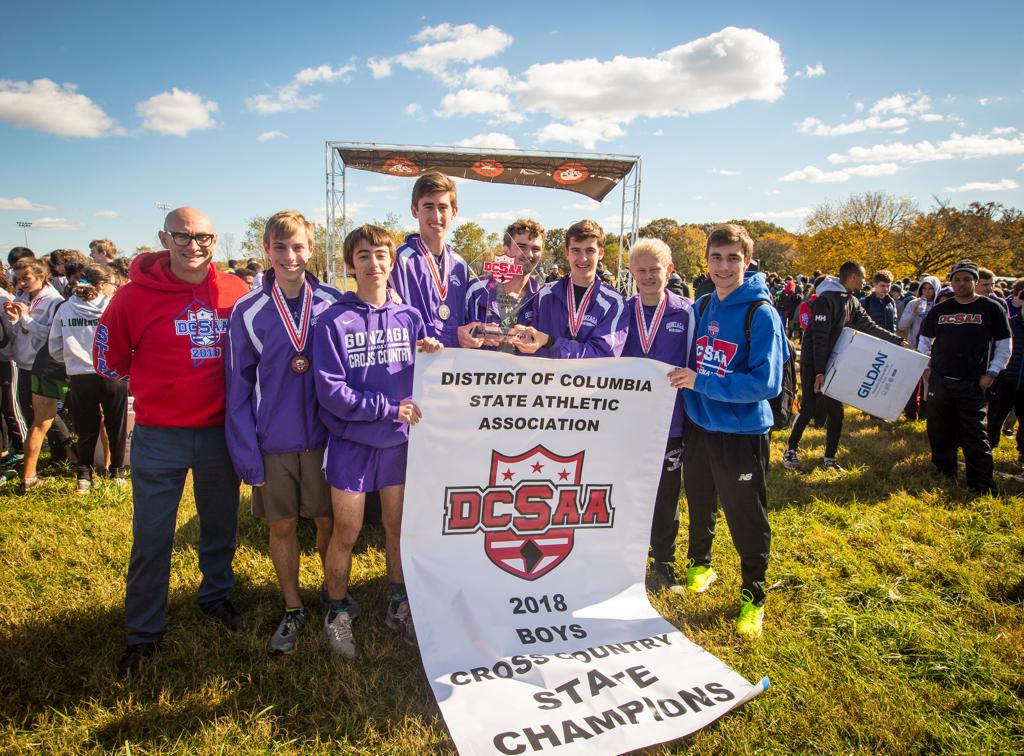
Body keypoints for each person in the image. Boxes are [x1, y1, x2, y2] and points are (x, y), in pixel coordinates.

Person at [95, 207, 250, 678]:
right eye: (181, 236)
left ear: (215, 240)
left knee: (221, 524)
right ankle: (144, 632)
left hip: (220, 433)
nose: (192, 244)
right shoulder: (131, 297)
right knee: (152, 536)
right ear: (164, 238)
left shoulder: (235, 291)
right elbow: (108, 359)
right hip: (160, 435)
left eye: (201, 236)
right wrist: (157, 390)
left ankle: (215, 596)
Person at [314, 224, 442, 659]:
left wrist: (432, 352)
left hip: (397, 444)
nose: (373, 263)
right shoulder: (332, 320)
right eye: (363, 255)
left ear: (392, 262)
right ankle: (336, 611)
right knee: (346, 532)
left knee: (398, 529)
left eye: (381, 255)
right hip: (351, 442)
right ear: (351, 265)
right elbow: (331, 392)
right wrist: (388, 408)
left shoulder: (409, 317)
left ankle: (398, 603)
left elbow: (425, 374)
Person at [226, 210, 342, 655]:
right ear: (267, 252)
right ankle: (292, 606)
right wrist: (246, 456)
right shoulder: (248, 311)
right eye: (280, 247)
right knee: (283, 525)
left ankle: (333, 595)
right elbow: (237, 388)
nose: (290, 256)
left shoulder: (334, 302)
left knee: (329, 521)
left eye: (298, 247)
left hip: (325, 438)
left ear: (311, 249)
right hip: (272, 441)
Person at [667, 224, 788, 639]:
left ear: (747, 261)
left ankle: (754, 595)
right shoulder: (700, 305)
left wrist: (702, 383)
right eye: (716, 257)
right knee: (700, 500)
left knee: (746, 515)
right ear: (706, 260)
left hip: (741, 432)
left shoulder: (761, 312)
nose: (723, 266)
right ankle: (700, 565)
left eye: (733, 258)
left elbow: (766, 383)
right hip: (700, 425)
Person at [622, 238, 694, 593]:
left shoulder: (687, 312)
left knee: (667, 493)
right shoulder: (621, 310)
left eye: (656, 269)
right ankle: (626, 554)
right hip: (630, 423)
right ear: (632, 272)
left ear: (670, 270)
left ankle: (663, 560)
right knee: (627, 490)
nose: (649, 276)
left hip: (672, 422)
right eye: (642, 270)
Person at [784, 262, 904, 471]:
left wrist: (898, 342)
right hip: (814, 362)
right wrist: (819, 372)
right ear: (851, 277)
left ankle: (830, 458)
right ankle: (790, 451)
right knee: (809, 408)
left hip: (836, 362)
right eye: (863, 277)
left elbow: (868, 326)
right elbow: (819, 338)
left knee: (836, 413)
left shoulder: (853, 301)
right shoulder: (825, 300)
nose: (865, 282)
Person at [919, 260, 1011, 494]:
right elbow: (924, 341)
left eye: (966, 279)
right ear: (950, 281)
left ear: (975, 281)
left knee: (974, 434)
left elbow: (1004, 345)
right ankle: (944, 471)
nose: (961, 284)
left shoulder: (991, 309)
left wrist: (992, 372)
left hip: (973, 382)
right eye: (956, 280)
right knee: (939, 431)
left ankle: (981, 484)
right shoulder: (940, 310)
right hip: (940, 380)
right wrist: (926, 368)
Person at [49, 263, 127, 492]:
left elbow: (54, 346)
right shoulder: (113, 306)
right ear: (102, 284)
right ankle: (117, 473)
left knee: (86, 428)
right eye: (113, 283)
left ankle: (84, 476)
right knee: (116, 425)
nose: (115, 287)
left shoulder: (65, 308)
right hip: (112, 373)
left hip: (80, 375)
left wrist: (72, 360)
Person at [2, 258, 74, 491]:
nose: (21, 283)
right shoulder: (21, 298)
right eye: (18, 279)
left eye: (26, 278)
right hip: (23, 362)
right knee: (32, 415)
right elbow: (18, 332)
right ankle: (57, 456)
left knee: (43, 418)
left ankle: (64, 455)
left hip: (45, 364)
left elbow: (51, 335)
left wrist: (26, 319)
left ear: (41, 276)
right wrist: (14, 320)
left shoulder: (55, 302)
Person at [511, 220, 627, 358]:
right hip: (546, 378)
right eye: (576, 250)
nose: (582, 258)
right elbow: (526, 347)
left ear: (601, 253)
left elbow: (602, 357)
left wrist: (550, 342)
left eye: (590, 251)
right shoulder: (543, 294)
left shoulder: (614, 302)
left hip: (589, 380)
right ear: (567, 252)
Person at [389, 171, 475, 349]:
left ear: (454, 212)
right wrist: (451, 335)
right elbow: (388, 320)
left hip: (452, 369)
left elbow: (464, 319)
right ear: (415, 211)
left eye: (443, 207)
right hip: (411, 368)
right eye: (428, 207)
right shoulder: (396, 260)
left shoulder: (460, 265)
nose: (436, 216)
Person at [464, 219, 544, 353]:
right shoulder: (476, 290)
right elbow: (455, 332)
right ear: (506, 249)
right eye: (522, 247)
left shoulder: (542, 295)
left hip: (523, 373)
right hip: (478, 372)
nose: (529, 254)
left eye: (535, 249)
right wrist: (474, 333)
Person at [986, 278, 1024, 465]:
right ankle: (988, 450)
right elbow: (995, 349)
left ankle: (1022, 455)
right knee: (994, 419)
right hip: (1004, 380)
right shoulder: (1009, 324)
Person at [899, 276, 940, 420]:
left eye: (930, 289)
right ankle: (910, 413)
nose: (927, 292)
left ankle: (925, 413)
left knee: (928, 383)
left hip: (932, 350)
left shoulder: (939, 306)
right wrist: (914, 312)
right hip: (914, 347)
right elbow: (902, 325)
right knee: (911, 382)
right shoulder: (912, 304)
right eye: (924, 288)